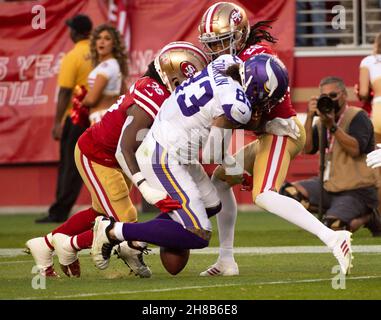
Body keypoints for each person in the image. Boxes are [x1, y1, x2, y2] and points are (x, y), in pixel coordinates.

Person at [90, 54, 299, 273]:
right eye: (268, 98)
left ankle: (138, 241)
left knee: (212, 204)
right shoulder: (237, 105)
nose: (268, 105)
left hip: (175, 148)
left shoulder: (226, 62)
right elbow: (212, 153)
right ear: (257, 89)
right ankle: (114, 231)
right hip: (164, 156)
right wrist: (239, 170)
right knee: (198, 233)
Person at [25, 42, 208, 278]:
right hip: (99, 154)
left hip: (114, 156)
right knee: (125, 220)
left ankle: (45, 245)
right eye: (184, 80)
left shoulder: (159, 89)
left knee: (100, 212)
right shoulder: (154, 94)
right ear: (169, 74)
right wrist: (146, 188)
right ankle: (68, 245)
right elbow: (124, 148)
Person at [197, 2, 353, 277]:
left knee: (264, 195)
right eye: (211, 44)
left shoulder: (257, 57)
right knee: (220, 180)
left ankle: (333, 237)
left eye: (221, 42)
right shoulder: (231, 61)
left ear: (238, 35)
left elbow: (253, 117)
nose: (216, 50)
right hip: (266, 134)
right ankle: (226, 260)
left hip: (281, 130)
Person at [282, 77, 380, 236]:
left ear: (344, 95)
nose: (329, 100)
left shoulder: (357, 116)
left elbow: (355, 149)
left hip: (357, 189)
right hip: (329, 186)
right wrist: (309, 116)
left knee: (333, 227)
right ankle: (334, 211)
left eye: (333, 95)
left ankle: (368, 217)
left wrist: (333, 127)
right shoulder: (322, 121)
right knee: (288, 194)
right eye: (325, 97)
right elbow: (306, 149)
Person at [36, 14, 93, 223]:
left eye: (70, 28)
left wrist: (57, 122)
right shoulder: (99, 53)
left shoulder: (74, 56)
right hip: (97, 117)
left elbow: (64, 92)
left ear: (75, 32)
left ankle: (59, 210)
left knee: (69, 165)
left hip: (76, 117)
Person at [80, 24, 127, 125]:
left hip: (101, 119)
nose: (102, 42)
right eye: (99, 38)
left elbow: (92, 99)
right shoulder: (113, 65)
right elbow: (124, 95)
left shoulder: (107, 66)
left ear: (114, 44)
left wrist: (81, 101)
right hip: (107, 119)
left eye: (107, 39)